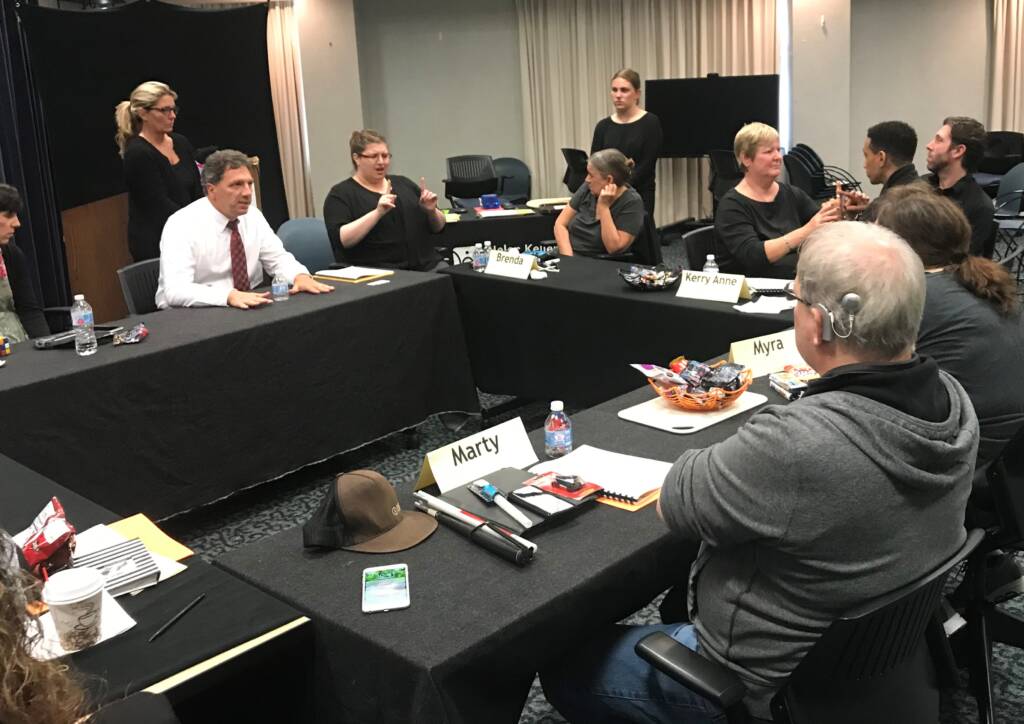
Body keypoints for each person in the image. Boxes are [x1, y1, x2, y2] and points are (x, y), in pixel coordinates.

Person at [541, 221, 976, 723]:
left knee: (564, 666)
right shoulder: (954, 400)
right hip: (877, 666)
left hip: (764, 685)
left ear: (817, 325)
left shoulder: (797, 443)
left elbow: (675, 501)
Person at [867, 184, 1024, 500]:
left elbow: (864, 389)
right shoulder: (981, 283)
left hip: (967, 473)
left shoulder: (916, 296)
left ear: (899, 248)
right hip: (1009, 467)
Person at [155, 149, 333, 309]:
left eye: (250, 184)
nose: (248, 193)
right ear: (211, 190)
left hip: (246, 306)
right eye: (236, 185)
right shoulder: (182, 224)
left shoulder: (252, 216)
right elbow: (176, 290)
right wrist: (228, 296)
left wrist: (299, 276)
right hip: (195, 313)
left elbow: (277, 259)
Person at [714, 122, 841, 278]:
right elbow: (753, 256)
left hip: (792, 281)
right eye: (768, 152)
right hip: (752, 289)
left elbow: (823, 226)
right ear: (746, 158)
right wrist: (806, 231)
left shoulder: (792, 194)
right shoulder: (731, 206)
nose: (778, 157)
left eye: (778, 150)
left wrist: (840, 211)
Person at [322, 130, 445, 271]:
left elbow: (439, 226)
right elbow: (343, 240)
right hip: (380, 274)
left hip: (427, 266)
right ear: (356, 158)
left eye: (385, 156)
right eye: (373, 156)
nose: (381, 162)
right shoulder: (341, 194)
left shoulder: (404, 184)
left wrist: (432, 211)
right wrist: (378, 213)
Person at [115, 81, 202, 262]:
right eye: (164, 111)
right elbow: (158, 205)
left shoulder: (180, 142)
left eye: (173, 110)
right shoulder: (138, 153)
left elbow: (196, 190)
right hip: (157, 243)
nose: (172, 116)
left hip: (191, 235)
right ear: (143, 113)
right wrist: (196, 226)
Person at [590, 69, 663, 219]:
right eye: (614, 90)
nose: (618, 95)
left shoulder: (650, 123)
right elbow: (595, 164)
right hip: (607, 195)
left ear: (637, 94)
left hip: (639, 194)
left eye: (624, 90)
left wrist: (619, 190)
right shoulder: (603, 126)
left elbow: (647, 164)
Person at [923, 116, 995, 257]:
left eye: (939, 140)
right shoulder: (919, 186)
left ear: (958, 151)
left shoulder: (979, 206)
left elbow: (960, 262)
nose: (929, 145)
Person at [554, 149, 645, 257]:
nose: (587, 179)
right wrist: (569, 259)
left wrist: (603, 207)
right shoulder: (588, 188)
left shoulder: (632, 202)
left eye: (591, 175)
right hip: (568, 256)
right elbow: (560, 224)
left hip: (598, 264)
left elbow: (614, 247)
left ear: (609, 180)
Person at [0, 184, 49, 341]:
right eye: (8, 215)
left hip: (18, 346)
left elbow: (29, 311)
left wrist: (46, 349)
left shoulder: (13, 256)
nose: (17, 223)